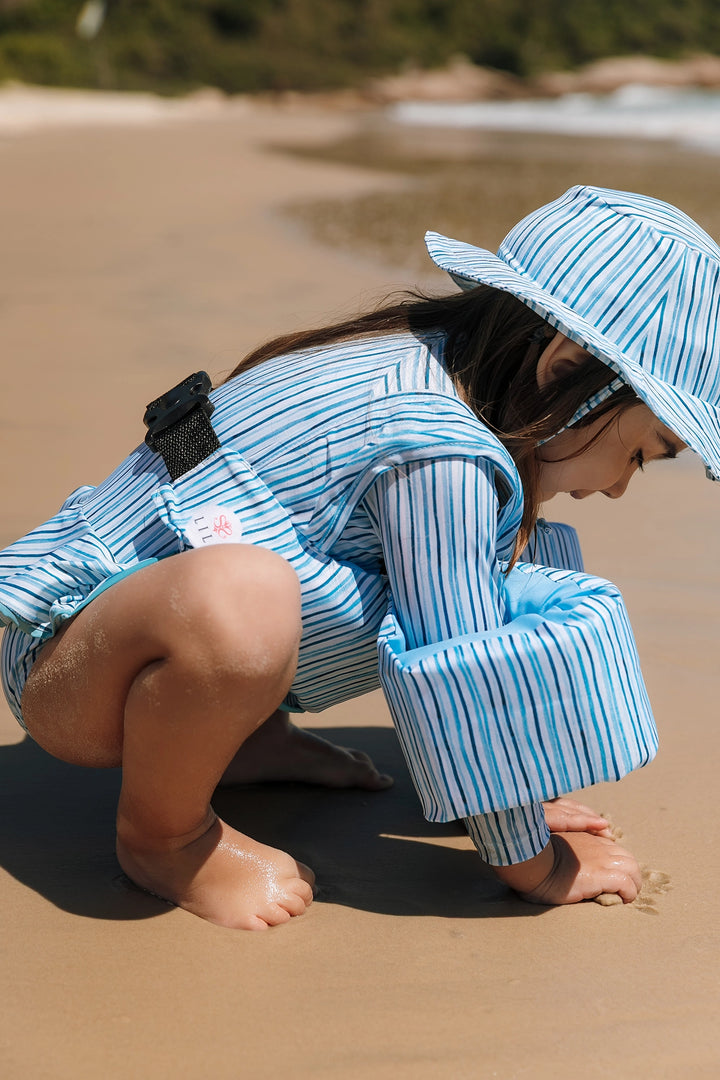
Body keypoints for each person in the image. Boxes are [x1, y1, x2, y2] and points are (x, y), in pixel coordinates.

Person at [0, 184, 717, 930]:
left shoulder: (430, 360)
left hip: (128, 640)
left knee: (491, 561)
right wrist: (529, 857)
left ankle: (238, 740)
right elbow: (460, 659)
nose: (620, 490)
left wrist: (522, 785)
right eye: (640, 452)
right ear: (562, 367)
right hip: (70, 665)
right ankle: (164, 837)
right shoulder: (438, 450)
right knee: (246, 597)